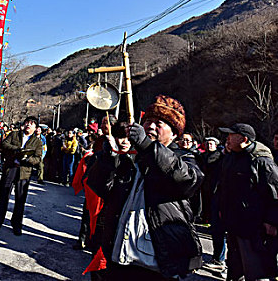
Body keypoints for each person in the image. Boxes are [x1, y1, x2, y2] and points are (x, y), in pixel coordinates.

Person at [93, 95, 203, 279]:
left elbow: (186, 180)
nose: (151, 126)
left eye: (159, 123)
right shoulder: (131, 157)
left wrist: (148, 146)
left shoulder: (185, 158)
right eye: (148, 121)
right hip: (120, 252)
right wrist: (108, 158)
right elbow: (102, 188)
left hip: (157, 259)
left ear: (174, 133)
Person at [219, 123, 278, 280]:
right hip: (232, 223)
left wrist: (272, 221)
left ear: (244, 139)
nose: (227, 138)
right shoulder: (230, 158)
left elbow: (274, 193)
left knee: (256, 271)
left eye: (231, 135)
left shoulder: (261, 161)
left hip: (253, 228)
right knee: (234, 269)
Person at [85, 122, 135, 279]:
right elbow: (97, 185)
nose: (125, 141)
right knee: (100, 267)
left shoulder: (140, 161)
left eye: (129, 137)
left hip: (129, 225)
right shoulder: (103, 156)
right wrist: (110, 157)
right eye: (121, 137)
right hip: (106, 221)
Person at [0, 116, 42, 236]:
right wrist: (17, 150)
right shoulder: (14, 134)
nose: (28, 125)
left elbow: (38, 159)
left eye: (32, 124)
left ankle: (17, 224)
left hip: (24, 172)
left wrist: (27, 158)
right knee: (2, 197)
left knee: (20, 200)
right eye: (27, 122)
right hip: (10, 168)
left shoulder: (37, 142)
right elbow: (4, 145)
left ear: (35, 128)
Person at [200, 136, 226, 273]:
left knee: (221, 230)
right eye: (207, 143)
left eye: (212, 143)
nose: (209, 145)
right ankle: (218, 258)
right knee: (216, 229)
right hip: (210, 192)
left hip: (222, 197)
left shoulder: (221, 157)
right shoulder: (206, 156)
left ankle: (220, 260)